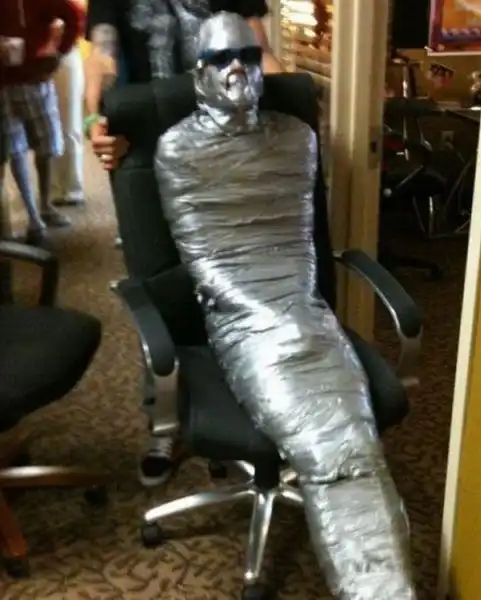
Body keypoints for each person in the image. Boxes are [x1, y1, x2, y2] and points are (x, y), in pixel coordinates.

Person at [155, 13, 417, 599]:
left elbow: (297, 250)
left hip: (305, 310)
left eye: (248, 56)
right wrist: (275, 319)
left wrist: (300, 316)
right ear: (198, 72)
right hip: (244, 320)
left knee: (356, 448)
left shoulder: (295, 138)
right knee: (326, 455)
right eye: (220, 59)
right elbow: (208, 267)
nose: (236, 70)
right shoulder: (178, 150)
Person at [84, 0, 282, 488]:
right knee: (161, 290)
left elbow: (259, 50)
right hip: (145, 155)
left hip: (227, 148)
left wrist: (289, 98)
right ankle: (167, 423)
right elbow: (102, 57)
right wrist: (95, 119)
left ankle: (234, 407)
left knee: (232, 284)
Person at [0, 1, 85, 244]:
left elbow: (75, 16)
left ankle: (45, 206)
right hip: (3, 85)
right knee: (15, 150)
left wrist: (58, 52)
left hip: (37, 81)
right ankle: (34, 216)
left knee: (46, 147)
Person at [51, 6, 86, 207]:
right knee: (48, 128)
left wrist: (61, 44)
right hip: (37, 60)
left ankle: (73, 188)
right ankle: (54, 187)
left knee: (70, 125)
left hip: (65, 56)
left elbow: (78, 19)